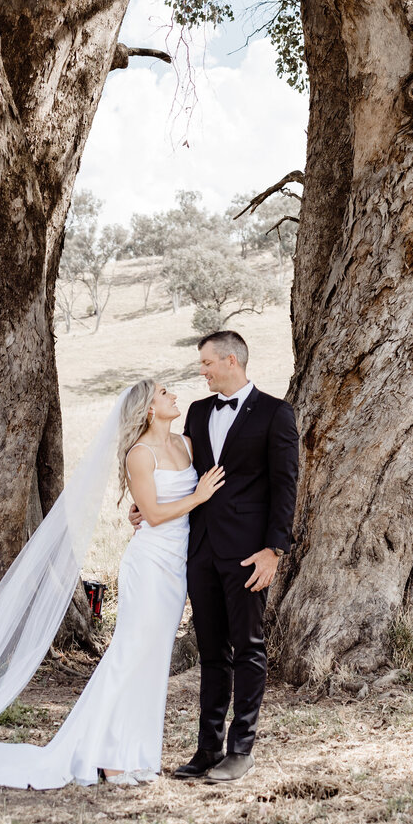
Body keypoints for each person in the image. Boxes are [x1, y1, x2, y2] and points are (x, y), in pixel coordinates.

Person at [0, 380, 223, 789]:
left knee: (153, 661)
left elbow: (164, 506)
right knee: (129, 656)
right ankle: (109, 757)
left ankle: (137, 753)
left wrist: (188, 502)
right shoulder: (139, 455)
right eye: (165, 393)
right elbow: (155, 514)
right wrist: (196, 497)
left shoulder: (186, 445)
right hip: (148, 565)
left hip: (176, 570)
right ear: (148, 408)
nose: (174, 396)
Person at [134, 329, 298, 785]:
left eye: (206, 363)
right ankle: (207, 749)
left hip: (249, 554)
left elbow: (286, 487)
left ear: (230, 360)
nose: (201, 371)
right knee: (211, 651)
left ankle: (240, 749)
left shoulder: (275, 413)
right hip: (200, 550)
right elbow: (185, 473)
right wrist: (143, 505)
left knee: (248, 647)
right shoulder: (199, 412)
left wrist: (274, 550)